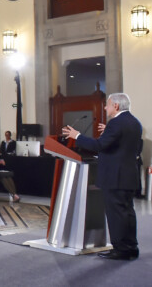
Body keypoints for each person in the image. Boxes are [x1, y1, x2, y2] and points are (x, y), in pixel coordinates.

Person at [63, 93, 142, 260]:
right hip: (128, 176)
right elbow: (122, 143)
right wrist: (109, 132)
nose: (105, 108)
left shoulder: (116, 123)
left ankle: (120, 249)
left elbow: (99, 145)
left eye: (107, 105)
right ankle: (131, 247)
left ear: (116, 106)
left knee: (116, 214)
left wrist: (77, 136)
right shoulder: (134, 122)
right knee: (127, 213)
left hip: (115, 177)